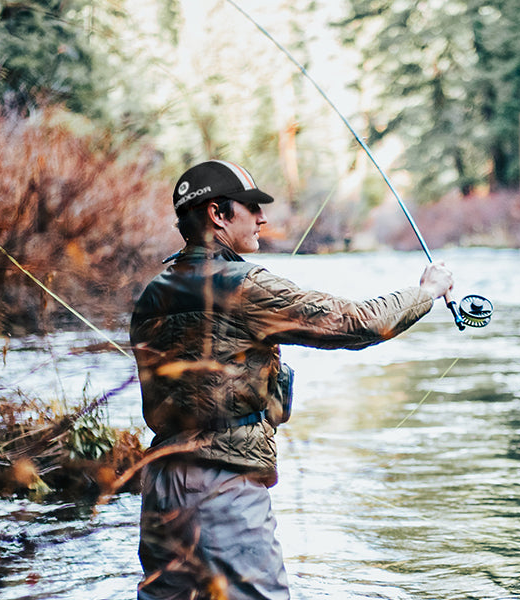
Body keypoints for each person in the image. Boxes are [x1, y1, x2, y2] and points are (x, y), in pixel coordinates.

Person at [129, 160, 454, 600]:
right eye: (250, 207)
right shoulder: (243, 285)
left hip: (161, 490)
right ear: (216, 214)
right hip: (222, 489)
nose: (262, 217)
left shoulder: (153, 293)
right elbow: (357, 324)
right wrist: (426, 293)